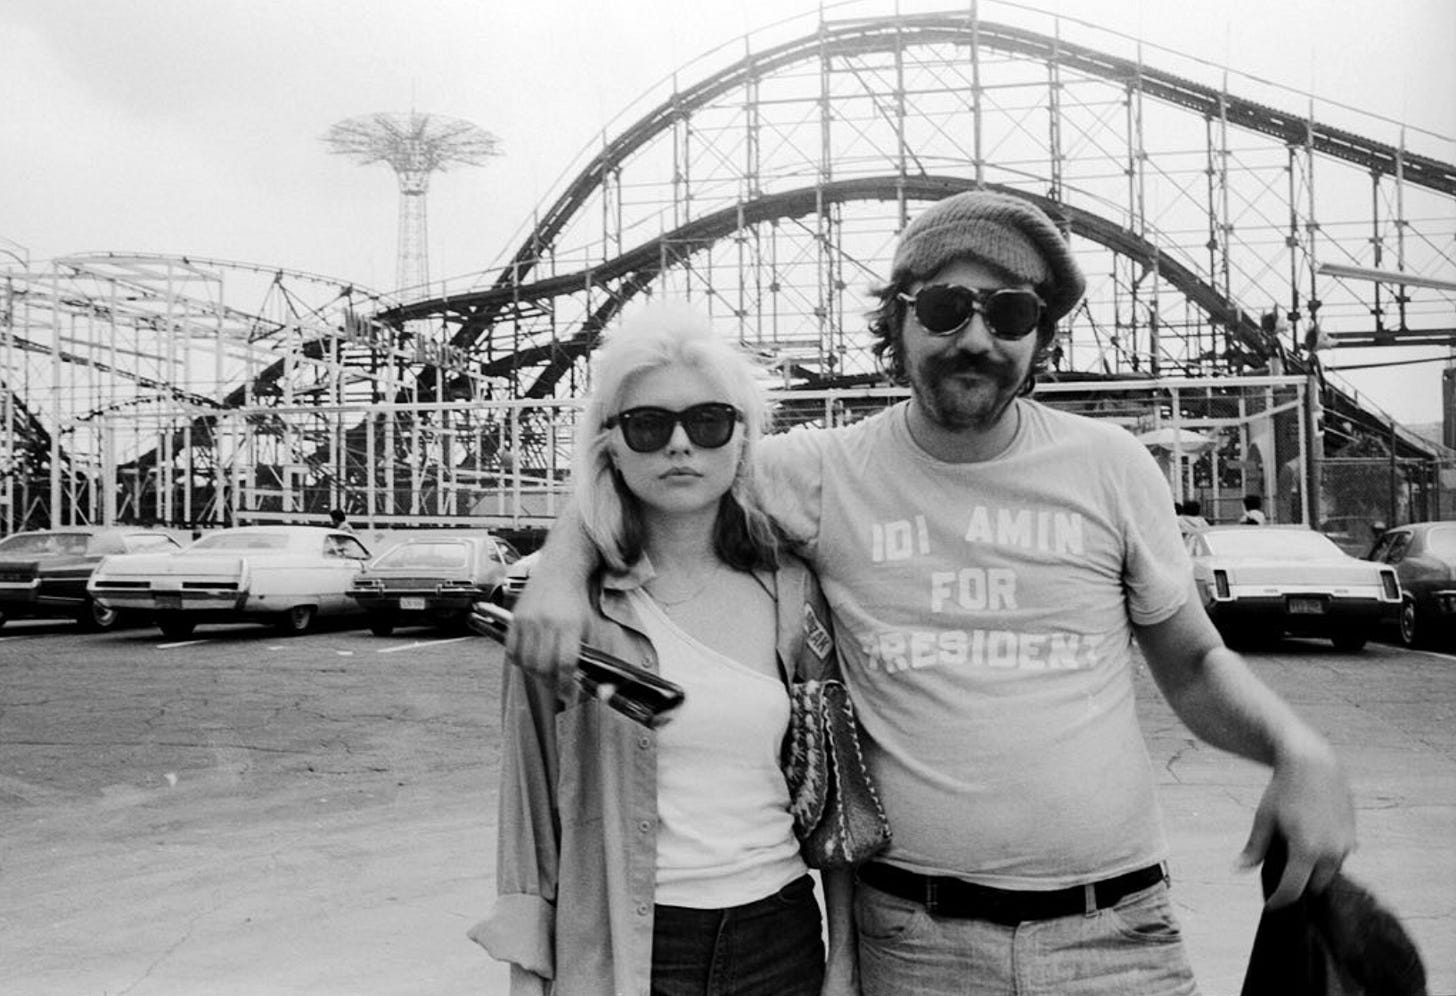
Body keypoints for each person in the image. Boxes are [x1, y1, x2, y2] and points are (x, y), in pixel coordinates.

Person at [511, 190, 1354, 995]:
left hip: (1115, 933)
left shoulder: (1112, 467)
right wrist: (558, 570)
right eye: (947, 308)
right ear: (899, 322)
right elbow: (663, 462)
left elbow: (1195, 665)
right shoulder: (825, 473)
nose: (976, 337)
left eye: (1011, 313)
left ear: (1040, 336)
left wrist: (1297, 748)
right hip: (915, 943)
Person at [469, 303, 853, 996]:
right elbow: (527, 810)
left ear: (742, 438)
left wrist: (843, 964)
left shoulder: (793, 592)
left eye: (708, 422)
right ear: (610, 444)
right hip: (631, 947)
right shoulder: (567, 608)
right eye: (649, 425)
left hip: (780, 938)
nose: (681, 445)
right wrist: (528, 978)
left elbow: (833, 800)